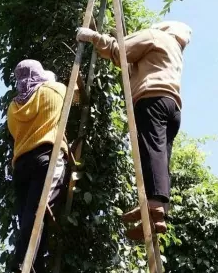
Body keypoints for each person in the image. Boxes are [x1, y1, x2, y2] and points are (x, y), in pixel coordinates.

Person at [76, 21, 192, 241]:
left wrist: (93, 37)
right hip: (172, 105)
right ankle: (157, 212)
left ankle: (154, 205)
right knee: (160, 155)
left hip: (152, 99)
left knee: (150, 150)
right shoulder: (176, 50)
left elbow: (120, 51)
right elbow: (131, 64)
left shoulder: (156, 36)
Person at [6, 58, 67, 273]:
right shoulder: (54, 91)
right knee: (37, 214)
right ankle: (22, 268)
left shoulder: (13, 108)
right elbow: (71, 95)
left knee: (29, 220)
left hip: (21, 166)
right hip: (47, 158)